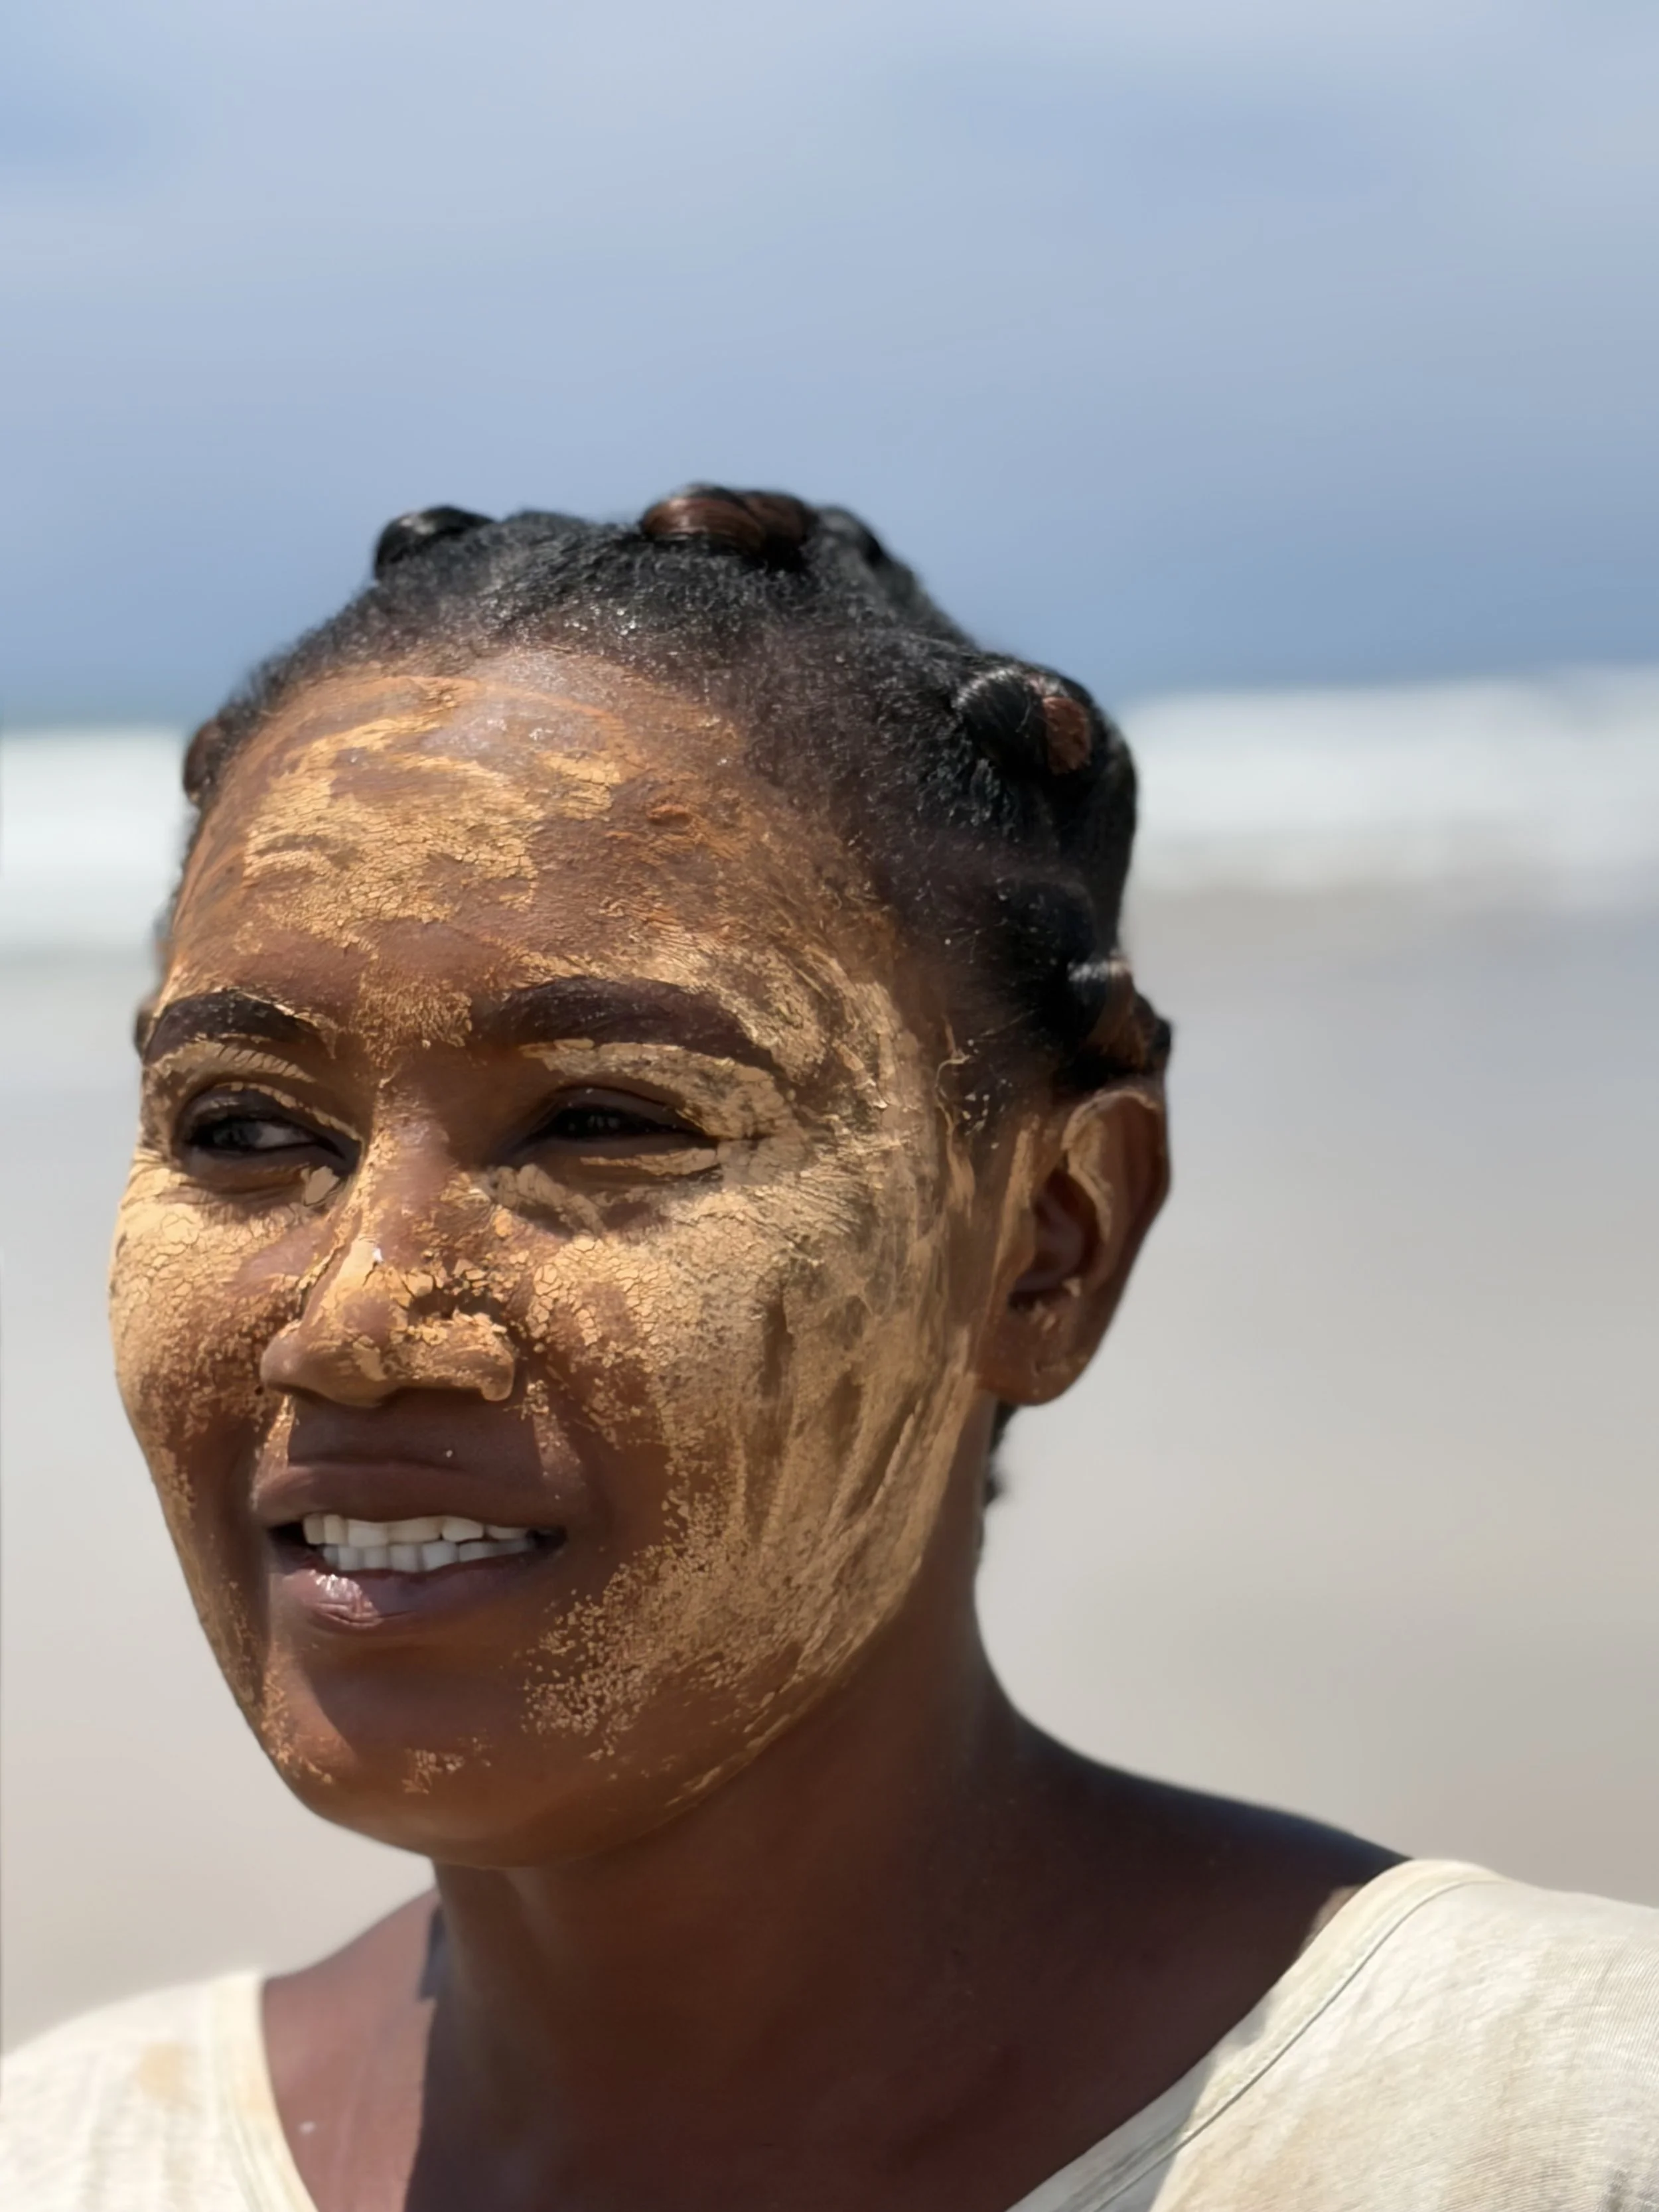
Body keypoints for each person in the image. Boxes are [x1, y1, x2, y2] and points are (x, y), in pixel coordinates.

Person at [3, 488, 1654, 2212]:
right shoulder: (73, 2159)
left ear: (1046, 1245)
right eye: (245, 1128)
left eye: (604, 1117)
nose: (353, 1321)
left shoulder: (1552, 2122)